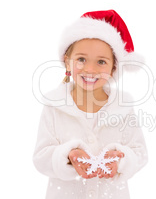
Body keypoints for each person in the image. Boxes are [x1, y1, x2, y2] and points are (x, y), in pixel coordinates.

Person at [33, 10, 148, 199]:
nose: (90, 69)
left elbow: (140, 152)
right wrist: (68, 155)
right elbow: (41, 157)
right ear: (67, 62)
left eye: (101, 62)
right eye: (81, 59)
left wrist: (121, 160)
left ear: (113, 68)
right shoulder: (54, 105)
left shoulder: (123, 107)